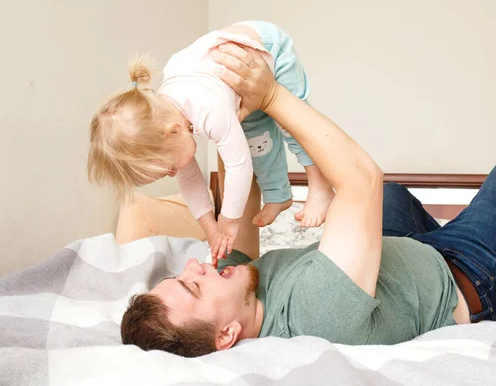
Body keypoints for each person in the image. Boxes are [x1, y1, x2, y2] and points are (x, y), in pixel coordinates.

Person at [120, 42, 496, 358]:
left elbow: (239, 204)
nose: (194, 267)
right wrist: (270, 96)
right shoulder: (313, 313)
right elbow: (361, 179)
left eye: (181, 274)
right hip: (464, 276)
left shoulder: (240, 290)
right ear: (227, 336)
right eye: (194, 287)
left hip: (400, 262)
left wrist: (219, 117)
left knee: (390, 201)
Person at [87, 21, 334, 260]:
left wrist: (228, 220)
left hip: (268, 50)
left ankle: (320, 186)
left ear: (173, 132)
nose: (174, 174)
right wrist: (211, 229)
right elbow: (191, 182)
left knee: (293, 124)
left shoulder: (208, 111)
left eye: (168, 169)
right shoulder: (168, 120)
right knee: (258, 141)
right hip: (232, 87)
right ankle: (278, 195)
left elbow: (239, 166)